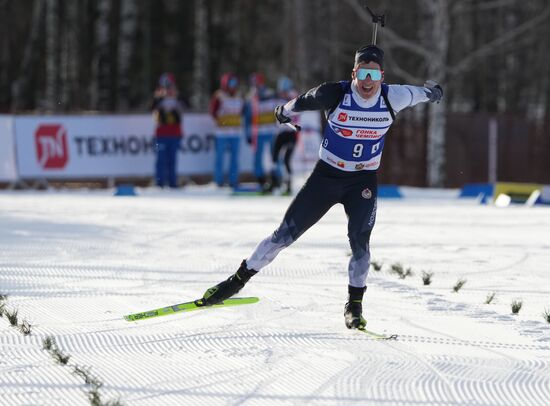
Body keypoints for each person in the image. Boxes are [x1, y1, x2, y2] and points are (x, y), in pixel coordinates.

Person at [201, 45, 443, 330]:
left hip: (362, 182)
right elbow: (303, 101)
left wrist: (434, 92)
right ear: (353, 73)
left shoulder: (395, 96)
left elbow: (421, 93)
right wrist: (282, 112)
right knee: (283, 235)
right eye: (362, 73)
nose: (367, 81)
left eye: (373, 74)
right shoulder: (335, 93)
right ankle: (236, 281)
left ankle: (354, 306)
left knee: (361, 245)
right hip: (326, 178)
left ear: (382, 76)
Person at [243, 73, 279, 190]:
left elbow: (280, 108)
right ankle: (260, 179)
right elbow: (247, 118)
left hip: (272, 131)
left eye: (257, 83)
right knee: (257, 156)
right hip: (258, 132)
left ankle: (276, 178)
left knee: (274, 155)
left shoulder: (270, 93)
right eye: (253, 84)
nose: (255, 86)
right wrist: (248, 133)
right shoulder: (250, 98)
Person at [209, 73, 244, 188]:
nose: (233, 86)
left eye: (234, 83)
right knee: (220, 157)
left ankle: (233, 181)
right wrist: (222, 120)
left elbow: (243, 111)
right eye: (230, 83)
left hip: (235, 132)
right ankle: (218, 181)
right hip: (222, 132)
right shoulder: (219, 96)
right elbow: (213, 112)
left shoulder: (239, 96)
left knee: (235, 158)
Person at [151, 73, 185, 188]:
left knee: (172, 159)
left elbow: (184, 107)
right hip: (160, 134)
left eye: (170, 86)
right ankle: (159, 182)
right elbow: (152, 108)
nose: (168, 90)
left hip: (175, 134)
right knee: (160, 159)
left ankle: (172, 182)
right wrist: (159, 98)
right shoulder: (158, 98)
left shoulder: (178, 98)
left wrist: (177, 97)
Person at [269, 76, 300, 195]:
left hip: (291, 133)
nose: (282, 92)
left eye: (284, 90)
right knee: (274, 158)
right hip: (280, 133)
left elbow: (297, 104)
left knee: (286, 159)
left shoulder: (294, 98)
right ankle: (274, 182)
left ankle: (288, 184)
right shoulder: (278, 98)